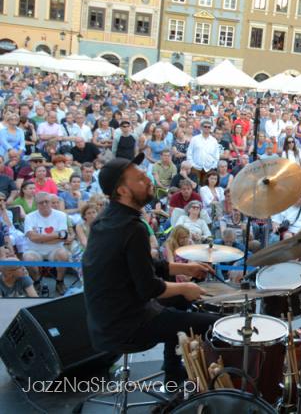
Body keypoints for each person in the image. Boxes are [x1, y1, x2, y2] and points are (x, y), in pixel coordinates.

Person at [82, 154, 217, 387]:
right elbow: (148, 288)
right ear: (123, 191)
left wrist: (187, 268)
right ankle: (212, 384)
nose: (149, 181)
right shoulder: (132, 228)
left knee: (179, 303)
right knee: (214, 325)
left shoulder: (108, 219)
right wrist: (186, 287)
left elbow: (143, 266)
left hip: (105, 319)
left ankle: (173, 372)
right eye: (141, 178)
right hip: (129, 323)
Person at [22, 192, 72, 295]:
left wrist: (40, 239)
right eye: (41, 202)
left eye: (47, 202)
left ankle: (60, 282)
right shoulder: (29, 217)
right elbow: (32, 237)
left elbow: (63, 237)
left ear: (50, 202)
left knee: (64, 254)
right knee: (27, 258)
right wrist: (55, 235)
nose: (44, 204)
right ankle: (36, 281)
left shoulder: (61, 215)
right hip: (34, 250)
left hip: (55, 249)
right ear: (36, 204)